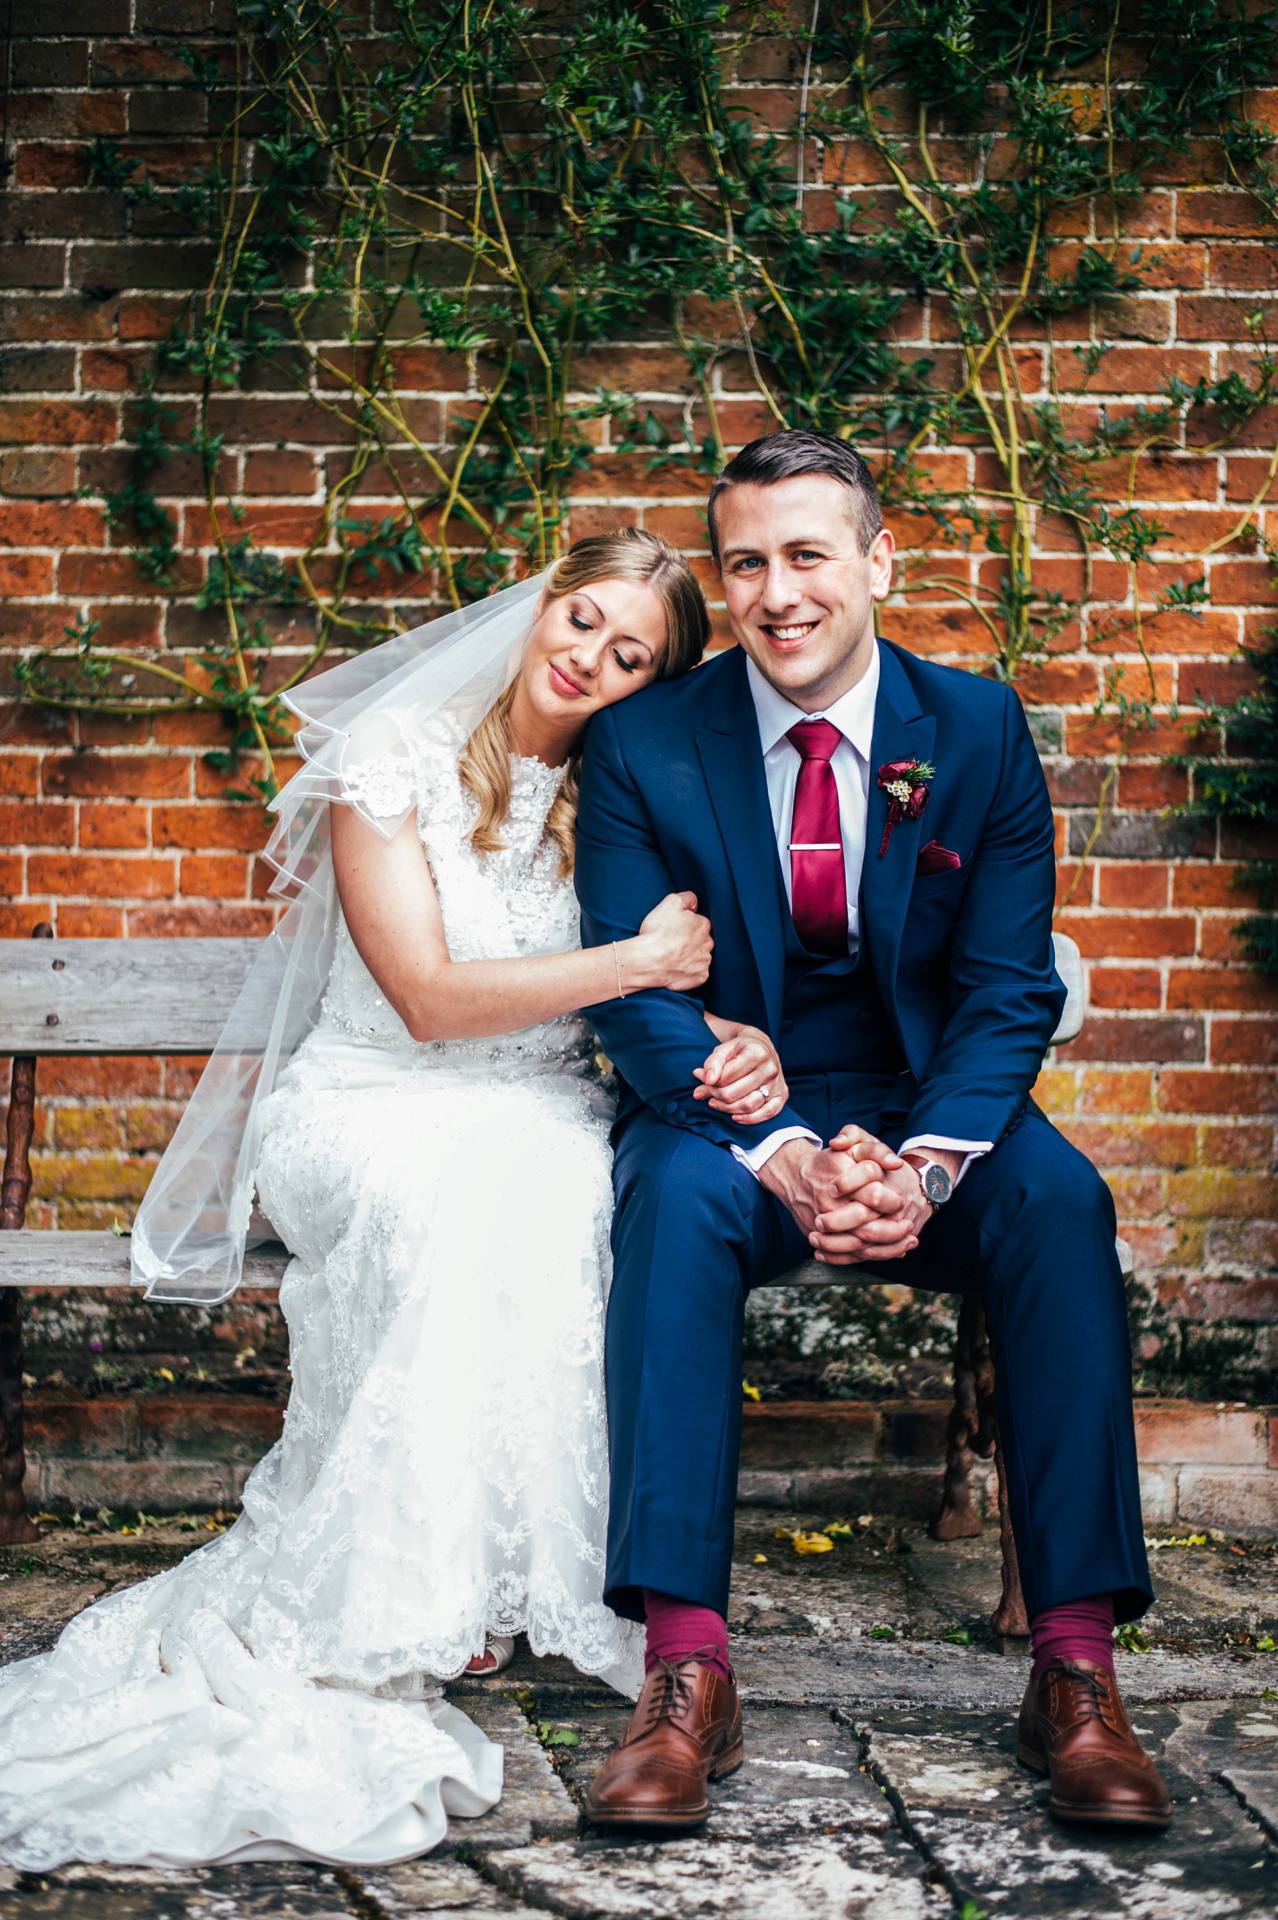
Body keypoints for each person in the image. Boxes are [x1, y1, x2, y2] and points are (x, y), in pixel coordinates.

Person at [0, 531, 789, 1870]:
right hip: (366, 1105)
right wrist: (629, 957)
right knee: (456, 1198)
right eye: (581, 617)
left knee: (557, 1187)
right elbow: (423, 1000)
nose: (586, 654)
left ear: (650, 682)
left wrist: (731, 1029)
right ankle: (401, 1591)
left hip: (535, 1107)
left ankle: (493, 1584)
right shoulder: (395, 757)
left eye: (628, 652)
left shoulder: (627, 791)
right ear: (541, 602)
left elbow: (688, 975)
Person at [575, 433, 1172, 1835]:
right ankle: (682, 1675)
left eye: (806, 555)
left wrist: (922, 1163)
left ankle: (1075, 1674)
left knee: (1059, 1206)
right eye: (744, 562)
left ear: (875, 564)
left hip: (928, 1115)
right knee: (664, 1207)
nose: (775, 592)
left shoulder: (972, 729)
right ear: (719, 578)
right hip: (726, 1110)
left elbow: (1006, 985)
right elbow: (632, 986)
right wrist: (777, 1143)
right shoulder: (647, 742)